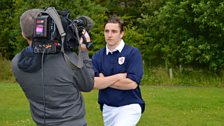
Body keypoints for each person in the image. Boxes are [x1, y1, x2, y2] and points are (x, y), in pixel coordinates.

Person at [11, 9, 94, 126]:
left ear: (23, 35)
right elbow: (88, 85)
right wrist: (83, 52)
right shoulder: (68, 59)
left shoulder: (17, 63)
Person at [92, 16, 145, 126]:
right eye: (107, 31)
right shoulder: (98, 56)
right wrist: (118, 77)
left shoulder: (132, 53)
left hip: (130, 106)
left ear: (121, 34)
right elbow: (94, 83)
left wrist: (104, 81)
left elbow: (131, 84)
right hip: (107, 108)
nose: (109, 35)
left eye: (114, 31)